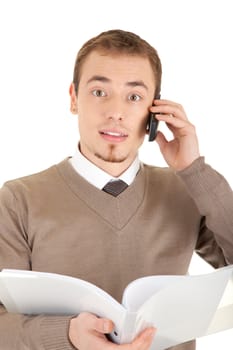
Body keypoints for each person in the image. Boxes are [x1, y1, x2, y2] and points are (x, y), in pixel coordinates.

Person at [0, 29, 232, 350]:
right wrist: (67, 334)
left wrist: (194, 171)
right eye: (99, 92)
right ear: (73, 98)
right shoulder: (17, 199)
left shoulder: (186, 193)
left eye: (134, 97)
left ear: (155, 110)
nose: (116, 112)